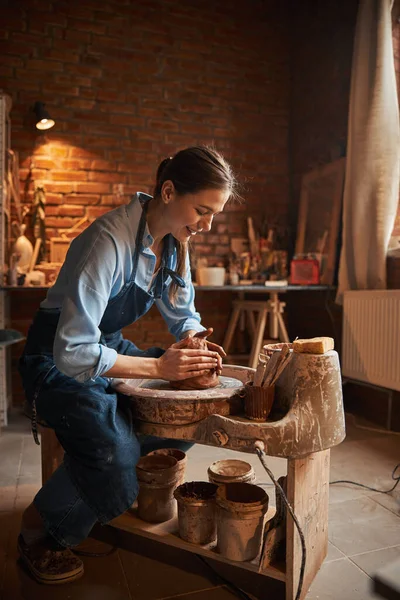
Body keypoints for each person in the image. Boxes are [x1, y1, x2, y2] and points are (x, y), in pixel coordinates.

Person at [17, 146, 237, 584]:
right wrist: (159, 371)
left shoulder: (176, 242)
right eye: (202, 210)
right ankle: (41, 531)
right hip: (55, 361)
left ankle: (102, 466)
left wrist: (192, 342)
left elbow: (182, 311)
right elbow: (74, 351)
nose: (207, 225)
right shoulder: (107, 241)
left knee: (191, 407)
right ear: (169, 191)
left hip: (107, 347)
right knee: (118, 456)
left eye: (215, 214)